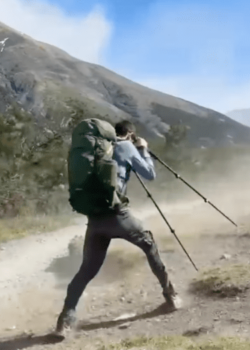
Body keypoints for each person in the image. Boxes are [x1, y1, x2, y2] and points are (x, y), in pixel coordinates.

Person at [55, 120, 182, 336]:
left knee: (86, 270)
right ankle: (171, 295)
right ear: (130, 134)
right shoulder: (126, 146)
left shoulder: (94, 151)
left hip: (95, 220)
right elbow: (150, 174)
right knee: (149, 245)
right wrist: (142, 149)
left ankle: (65, 321)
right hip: (119, 216)